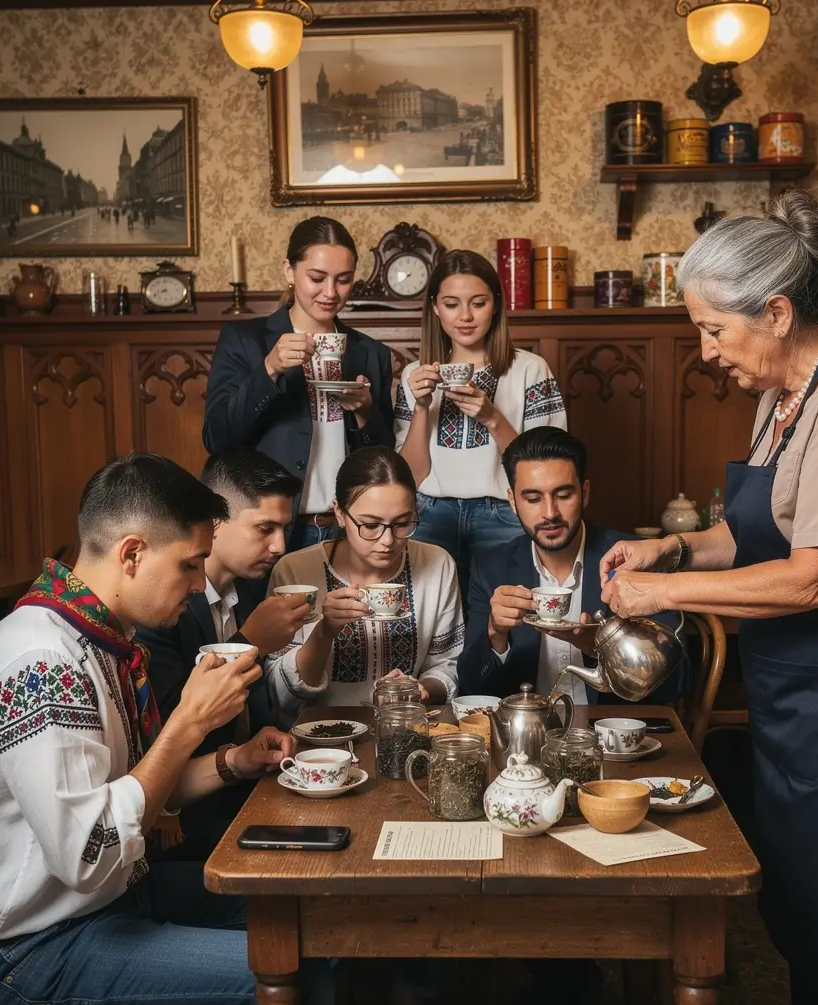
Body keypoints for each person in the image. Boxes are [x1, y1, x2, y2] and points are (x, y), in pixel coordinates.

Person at [599, 190, 818, 1005]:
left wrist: (664, 594)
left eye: (714, 330)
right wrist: (671, 549)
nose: (707, 352)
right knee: (803, 911)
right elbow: (752, 534)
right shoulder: (782, 396)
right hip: (801, 685)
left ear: (778, 312)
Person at [0, 453, 335, 1005]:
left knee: (316, 923)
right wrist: (188, 723)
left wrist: (233, 761)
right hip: (25, 954)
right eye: (189, 565)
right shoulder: (41, 663)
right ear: (132, 554)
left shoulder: (98, 638)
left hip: (105, 902)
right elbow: (89, 853)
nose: (199, 584)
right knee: (289, 974)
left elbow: (139, 789)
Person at [136, 447, 311, 862]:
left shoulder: (250, 589)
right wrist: (250, 644)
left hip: (253, 787)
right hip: (189, 821)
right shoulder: (161, 608)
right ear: (215, 522)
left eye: (285, 528)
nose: (279, 546)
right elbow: (168, 730)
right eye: (265, 528)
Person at [203, 216, 395, 552]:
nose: (331, 293)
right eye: (317, 278)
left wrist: (365, 412)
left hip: (348, 531)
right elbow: (217, 438)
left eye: (344, 280)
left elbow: (383, 459)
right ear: (289, 271)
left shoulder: (371, 353)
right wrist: (269, 369)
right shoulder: (245, 340)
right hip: (271, 532)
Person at [458, 425, 687, 705]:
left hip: (611, 728)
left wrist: (603, 649)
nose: (550, 513)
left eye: (563, 495)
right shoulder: (490, 567)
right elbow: (471, 687)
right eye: (533, 499)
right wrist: (495, 634)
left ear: (585, 493)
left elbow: (677, 683)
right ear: (513, 502)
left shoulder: (636, 560)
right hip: (529, 730)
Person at [394, 249, 566, 598]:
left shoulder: (530, 369)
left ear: (496, 305)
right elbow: (411, 476)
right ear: (435, 307)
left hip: (503, 514)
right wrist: (422, 407)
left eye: (478, 303)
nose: (466, 316)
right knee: (429, 616)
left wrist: (492, 418)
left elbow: (548, 468)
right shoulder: (415, 375)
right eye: (452, 304)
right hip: (429, 515)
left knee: (506, 615)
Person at [266, 446, 462, 718]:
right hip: (320, 733)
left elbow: (446, 666)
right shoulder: (295, 572)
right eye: (370, 525)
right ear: (340, 513)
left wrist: (420, 691)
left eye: (402, 523)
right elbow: (280, 695)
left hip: (405, 725)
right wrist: (324, 632)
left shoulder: (437, 565)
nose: (387, 541)